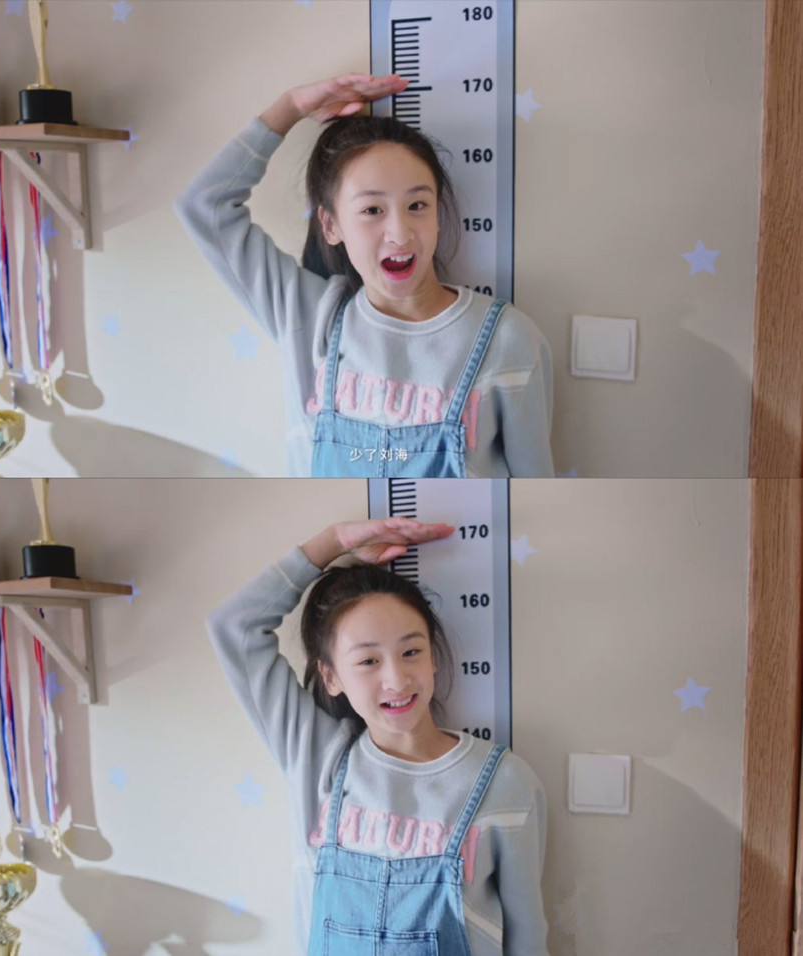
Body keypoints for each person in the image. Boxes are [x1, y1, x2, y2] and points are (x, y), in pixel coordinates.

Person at [175, 74, 555, 478]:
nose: (400, 234)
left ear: (438, 216)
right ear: (331, 225)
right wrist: (290, 108)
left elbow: (532, 490)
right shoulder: (308, 318)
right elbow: (203, 205)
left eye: (417, 205)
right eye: (372, 210)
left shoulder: (509, 339)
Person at [207, 516, 550, 954]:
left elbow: (527, 938)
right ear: (331, 677)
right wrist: (333, 541)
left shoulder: (506, 783)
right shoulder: (316, 756)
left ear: (433, 658)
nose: (396, 680)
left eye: (411, 651)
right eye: (368, 661)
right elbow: (233, 626)